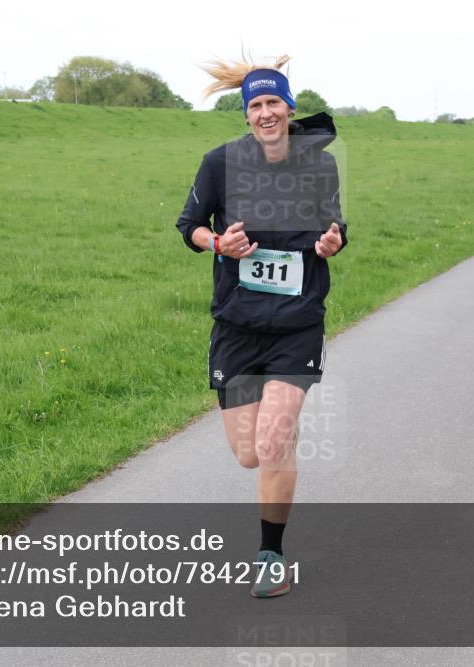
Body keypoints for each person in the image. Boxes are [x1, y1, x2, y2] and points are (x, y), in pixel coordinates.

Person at [176, 55, 348, 598]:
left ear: (290, 107)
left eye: (275, 101)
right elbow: (189, 227)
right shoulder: (220, 163)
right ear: (246, 114)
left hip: (297, 321)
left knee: (272, 446)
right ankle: (279, 424)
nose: (266, 112)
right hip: (238, 324)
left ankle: (271, 556)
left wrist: (332, 239)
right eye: (256, 104)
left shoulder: (319, 164)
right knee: (249, 452)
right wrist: (217, 242)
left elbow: (336, 223)